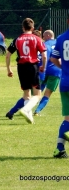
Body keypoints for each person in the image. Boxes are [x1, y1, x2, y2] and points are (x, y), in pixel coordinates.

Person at [5, 18, 46, 124]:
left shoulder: (17, 39)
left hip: (21, 67)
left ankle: (29, 117)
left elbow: (8, 55)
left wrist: (9, 69)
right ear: (32, 28)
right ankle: (26, 109)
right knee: (37, 95)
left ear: (23, 28)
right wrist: (43, 67)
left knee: (26, 95)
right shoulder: (36, 38)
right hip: (32, 66)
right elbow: (44, 55)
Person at [50, 19, 69, 158]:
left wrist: (64, 68)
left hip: (65, 82)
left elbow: (53, 58)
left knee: (67, 118)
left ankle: (59, 148)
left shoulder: (61, 38)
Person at [34, 30, 61, 116]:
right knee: (48, 93)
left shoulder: (45, 44)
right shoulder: (59, 43)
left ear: (48, 35)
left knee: (38, 90)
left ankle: (27, 106)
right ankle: (37, 111)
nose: (43, 38)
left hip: (44, 70)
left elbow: (42, 57)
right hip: (56, 71)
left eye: (44, 36)